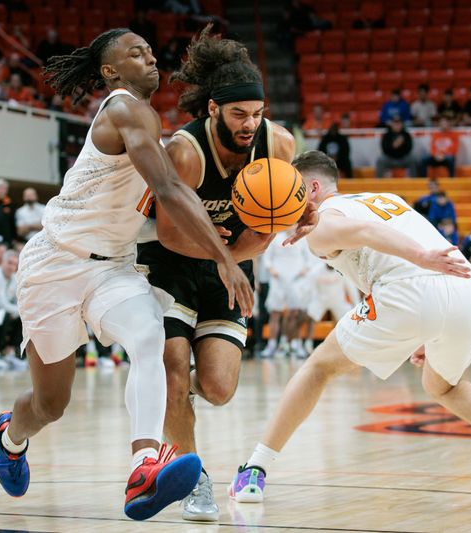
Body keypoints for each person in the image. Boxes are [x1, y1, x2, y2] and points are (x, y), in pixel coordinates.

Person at [0, 28, 253, 522]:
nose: (151, 59)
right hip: (56, 264)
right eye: (136, 54)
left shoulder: (152, 124)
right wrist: (223, 256)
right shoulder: (124, 109)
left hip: (111, 265)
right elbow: (170, 188)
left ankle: (142, 468)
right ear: (111, 70)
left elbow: (164, 200)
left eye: (152, 52)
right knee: (51, 404)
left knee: (149, 336)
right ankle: (11, 434)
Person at [228, 150, 471, 509]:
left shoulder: (323, 223)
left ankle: (255, 468)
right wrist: (424, 324)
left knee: (318, 368)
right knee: (442, 385)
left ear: (313, 188)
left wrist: (420, 265)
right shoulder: (385, 199)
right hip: (465, 289)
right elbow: (375, 256)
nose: (288, 201)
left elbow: (368, 231)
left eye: (294, 191)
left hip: (414, 281)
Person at [135, 26, 298, 522]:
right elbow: (167, 232)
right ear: (213, 110)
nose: (250, 124)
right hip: (170, 259)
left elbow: (266, 231)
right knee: (170, 361)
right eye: (238, 114)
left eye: (257, 113)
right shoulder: (186, 151)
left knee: (219, 388)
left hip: (231, 261)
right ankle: (192, 475)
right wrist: (226, 259)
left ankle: (171, 396)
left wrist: (235, 258)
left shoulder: (279, 145)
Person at [261, 228, 313, 359]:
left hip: (296, 279)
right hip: (278, 279)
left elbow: (308, 259)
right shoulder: (275, 237)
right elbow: (267, 258)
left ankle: (296, 344)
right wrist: (271, 269)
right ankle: (271, 345)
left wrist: (304, 270)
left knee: (295, 314)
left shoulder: (302, 238)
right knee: (275, 313)